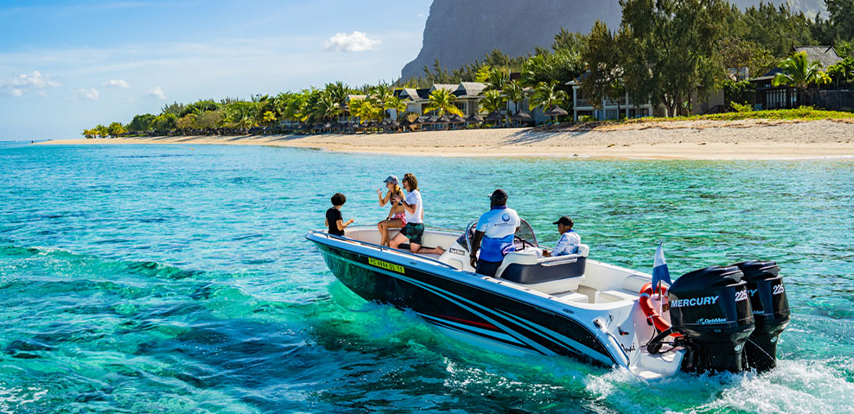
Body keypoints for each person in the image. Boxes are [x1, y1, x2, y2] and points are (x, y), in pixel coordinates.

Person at [389, 173, 445, 255]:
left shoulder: (413, 194)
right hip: (418, 225)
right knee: (414, 251)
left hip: (413, 226)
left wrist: (401, 200)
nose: (402, 182)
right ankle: (436, 251)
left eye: (404, 181)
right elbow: (420, 210)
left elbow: (412, 210)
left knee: (392, 243)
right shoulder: (414, 194)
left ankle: (396, 262)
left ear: (410, 182)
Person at [469, 189, 520, 277]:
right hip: (508, 257)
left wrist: (473, 256)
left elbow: (476, 239)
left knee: (481, 283)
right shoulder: (514, 213)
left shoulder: (486, 217)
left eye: (491, 199)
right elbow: (516, 228)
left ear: (494, 200)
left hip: (489, 259)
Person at [376, 175, 406, 246]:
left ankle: (382, 246)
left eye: (388, 183)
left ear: (393, 184)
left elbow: (394, 207)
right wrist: (380, 196)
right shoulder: (390, 192)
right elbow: (382, 204)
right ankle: (389, 245)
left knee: (385, 224)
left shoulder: (399, 192)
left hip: (403, 219)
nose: (386, 185)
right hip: (397, 218)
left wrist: (388, 218)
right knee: (379, 225)